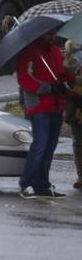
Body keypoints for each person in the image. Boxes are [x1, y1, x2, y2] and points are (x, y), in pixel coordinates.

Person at [17, 28, 74, 198]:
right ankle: (26, 183)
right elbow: (24, 78)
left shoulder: (56, 52)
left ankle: (42, 184)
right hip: (40, 106)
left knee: (50, 148)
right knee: (40, 146)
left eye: (52, 33)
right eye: (47, 33)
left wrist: (68, 81)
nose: (50, 36)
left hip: (56, 106)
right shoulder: (29, 52)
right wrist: (48, 88)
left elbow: (61, 76)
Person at [62, 40, 82, 190]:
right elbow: (62, 79)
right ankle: (81, 176)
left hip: (74, 105)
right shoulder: (69, 56)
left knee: (78, 143)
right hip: (76, 106)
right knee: (78, 143)